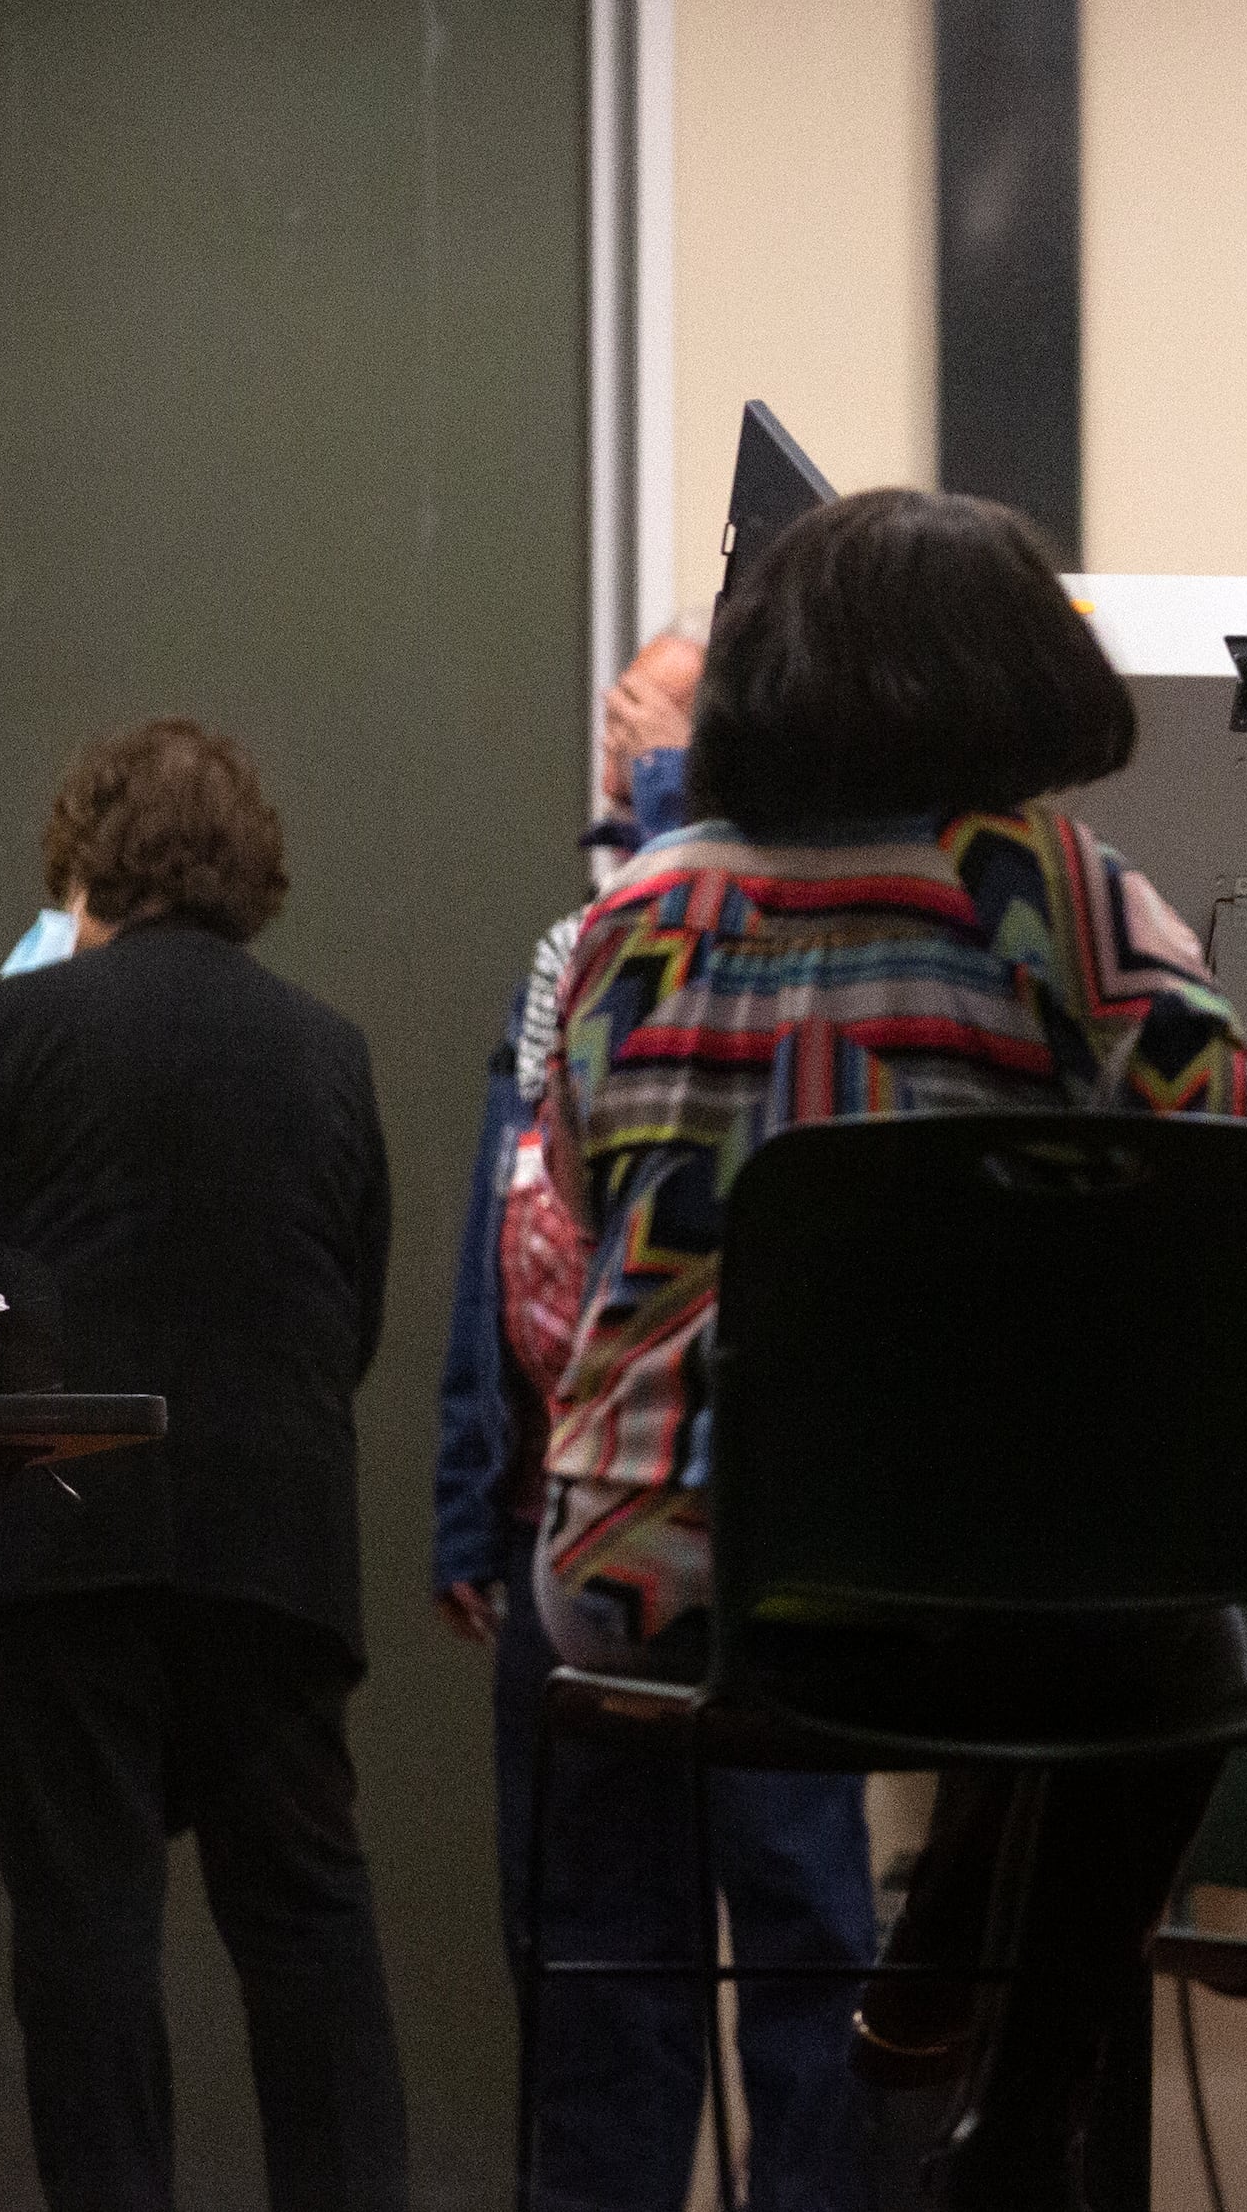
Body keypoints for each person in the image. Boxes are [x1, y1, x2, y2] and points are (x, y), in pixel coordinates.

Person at [531, 489, 1247, 2212]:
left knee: (1051, 1570)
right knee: (1185, 1591)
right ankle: (1020, 2103)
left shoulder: (623, 928)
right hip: (958, 1588)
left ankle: (934, 1962)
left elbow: (603, 1205)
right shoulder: (1046, 894)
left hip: (652, 1574)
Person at [0, 719, 407, 2212]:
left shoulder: (17, 1026)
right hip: (273, 1543)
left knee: (90, 1935)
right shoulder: (330, 1048)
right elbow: (354, 1314)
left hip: (59, 1539)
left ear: (84, 858)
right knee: (308, 1923)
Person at [438, 628, 885, 2212]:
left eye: (664, 708)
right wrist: (466, 1493)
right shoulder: (577, 948)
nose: (624, 727)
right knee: (593, 1984)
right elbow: (508, 1231)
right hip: (568, 1516)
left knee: (805, 1955)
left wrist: (682, 784)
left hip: (760, 1528)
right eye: (619, 707)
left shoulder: (797, 926)